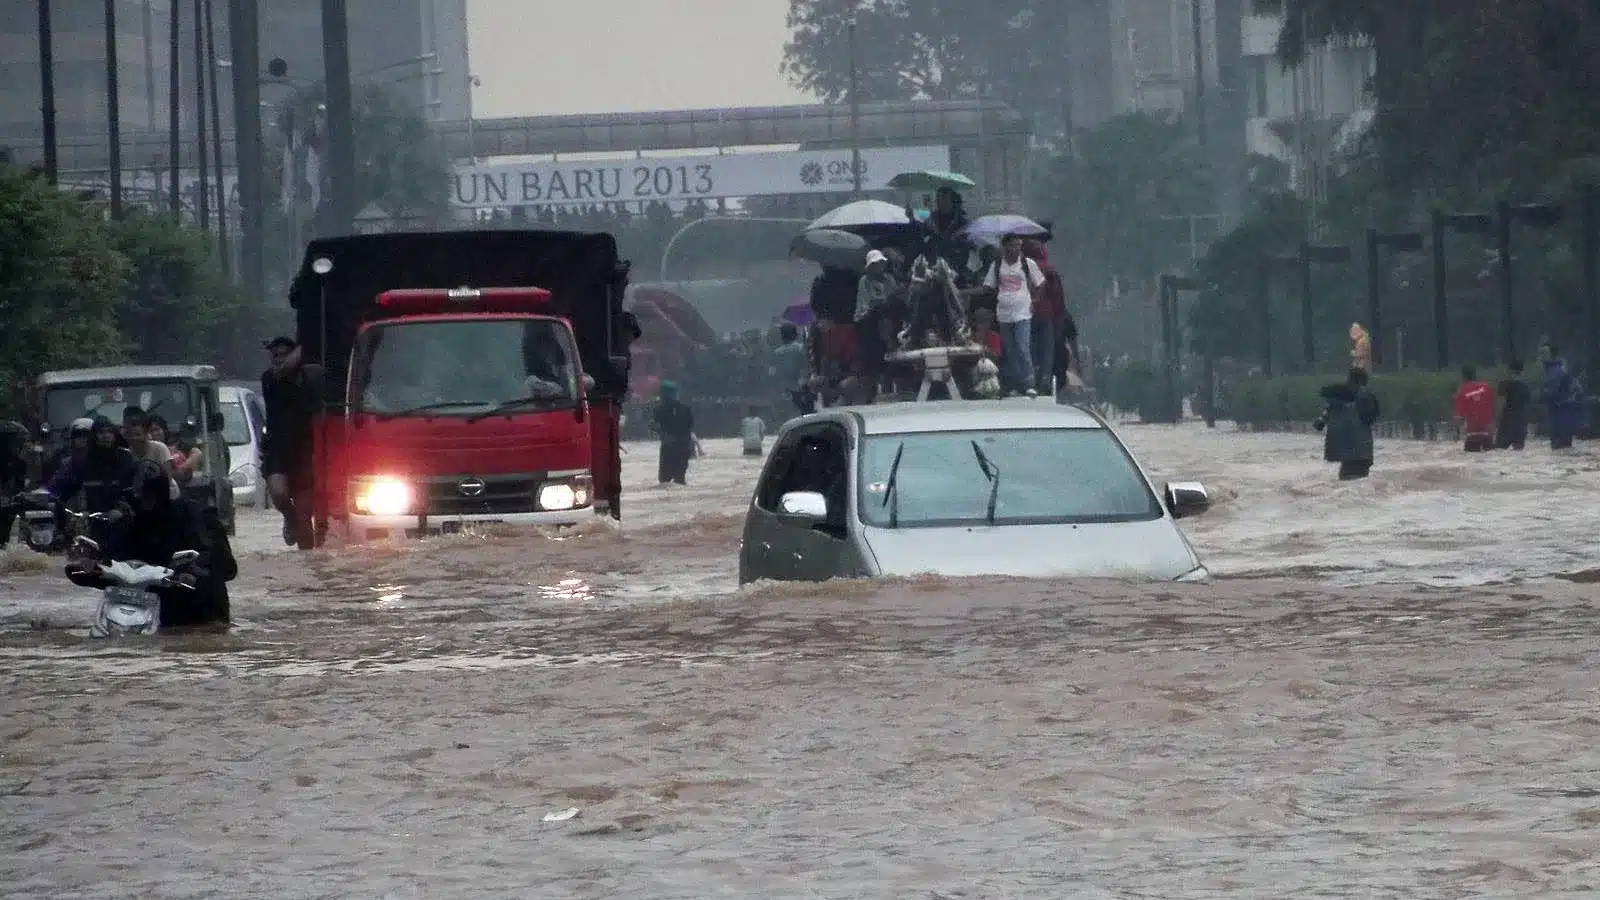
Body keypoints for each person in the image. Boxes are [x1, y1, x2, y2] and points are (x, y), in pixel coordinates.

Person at [66, 459, 231, 628]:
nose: (140, 500)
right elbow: (112, 561)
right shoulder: (124, 524)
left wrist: (191, 572)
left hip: (197, 609)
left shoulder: (191, 516)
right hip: (141, 609)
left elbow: (214, 560)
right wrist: (90, 567)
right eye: (134, 495)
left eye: (147, 494)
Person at [261, 336, 325, 549]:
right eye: (275, 356)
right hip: (277, 446)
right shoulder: (269, 378)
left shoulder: (310, 379)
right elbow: (283, 370)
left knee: (305, 512)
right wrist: (305, 343)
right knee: (279, 493)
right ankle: (289, 517)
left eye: (283, 355)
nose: (278, 360)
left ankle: (307, 557)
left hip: (305, 449)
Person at [981, 234, 1046, 397]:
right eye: (1012, 245)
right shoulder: (997, 265)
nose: (1016, 249)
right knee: (1010, 350)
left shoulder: (1027, 264)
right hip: (1004, 314)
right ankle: (1014, 384)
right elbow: (988, 287)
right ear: (1005, 247)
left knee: (1023, 347)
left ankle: (1029, 383)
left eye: (1018, 245)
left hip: (1022, 313)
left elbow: (1041, 283)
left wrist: (1035, 300)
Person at [1315, 367, 1380, 480]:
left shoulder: (1336, 395)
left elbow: (1323, 418)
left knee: (1346, 479)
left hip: (1344, 451)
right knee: (1359, 480)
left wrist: (1321, 422)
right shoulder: (1367, 397)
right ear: (1363, 380)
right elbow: (1372, 416)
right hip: (1363, 451)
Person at [1022, 239, 1068, 395]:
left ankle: (1030, 381)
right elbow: (1058, 298)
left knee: (1029, 349)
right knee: (1047, 351)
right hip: (1047, 315)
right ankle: (1045, 382)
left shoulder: (1023, 269)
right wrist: (1059, 318)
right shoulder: (1050, 271)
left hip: (1026, 314)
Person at [1538, 343, 1585, 450]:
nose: (1541, 356)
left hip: (1562, 416)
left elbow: (1553, 393)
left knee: (1560, 447)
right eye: (1540, 353)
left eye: (1544, 353)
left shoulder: (1557, 371)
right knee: (1561, 448)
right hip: (1557, 415)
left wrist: (1543, 396)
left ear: (1552, 355)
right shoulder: (1552, 370)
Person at [651, 381, 695, 485]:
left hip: (669, 447)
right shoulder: (686, 409)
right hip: (683, 446)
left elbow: (654, 426)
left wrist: (662, 434)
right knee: (679, 480)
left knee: (665, 481)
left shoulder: (659, 409)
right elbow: (690, 428)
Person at [1453, 365, 1497, 453]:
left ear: (1463, 376)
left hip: (1472, 434)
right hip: (1487, 434)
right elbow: (1494, 407)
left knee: (1472, 461)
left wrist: (1456, 434)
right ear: (1475, 375)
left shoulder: (1462, 391)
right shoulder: (1487, 387)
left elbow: (1459, 417)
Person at [0, 419, 29, 546]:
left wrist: (20, 495)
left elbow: (19, 487)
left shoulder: (19, 463)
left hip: (9, 510)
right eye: (16, 442)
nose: (19, 446)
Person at [1496, 360, 1531, 450]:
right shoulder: (1526, 386)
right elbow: (1527, 406)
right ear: (1521, 371)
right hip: (1521, 422)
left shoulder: (1503, 384)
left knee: (1500, 450)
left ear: (1510, 370)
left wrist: (1496, 423)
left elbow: (1500, 404)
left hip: (1507, 420)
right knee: (1518, 451)